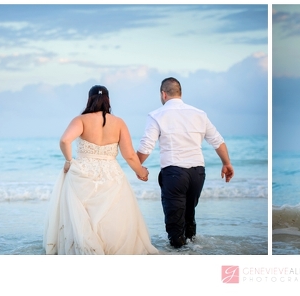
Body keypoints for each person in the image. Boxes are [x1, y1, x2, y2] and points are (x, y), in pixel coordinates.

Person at [44, 85, 158, 255]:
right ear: (109, 100)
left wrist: (69, 161)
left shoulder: (81, 120)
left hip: (83, 172)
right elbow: (129, 156)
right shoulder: (118, 123)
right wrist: (141, 172)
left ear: (89, 100)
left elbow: (64, 141)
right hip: (111, 174)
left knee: (84, 215)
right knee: (111, 216)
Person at [137, 77, 234, 248]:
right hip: (198, 173)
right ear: (180, 93)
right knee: (189, 215)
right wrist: (226, 163)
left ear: (163, 94)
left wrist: (136, 166)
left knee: (175, 221)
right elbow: (218, 141)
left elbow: (146, 146)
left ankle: (179, 254)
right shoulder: (199, 114)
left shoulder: (156, 115)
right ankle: (192, 250)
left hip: (174, 173)